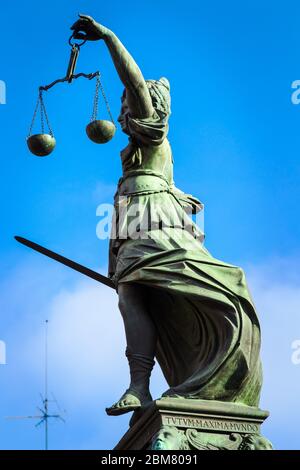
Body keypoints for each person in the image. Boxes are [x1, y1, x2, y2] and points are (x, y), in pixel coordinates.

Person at [71, 15, 263, 417]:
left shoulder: (152, 130)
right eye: (124, 105)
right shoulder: (146, 150)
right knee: (131, 297)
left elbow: (136, 82)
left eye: (128, 104)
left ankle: (149, 381)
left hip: (151, 220)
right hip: (130, 220)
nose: (125, 110)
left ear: (149, 108)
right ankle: (139, 387)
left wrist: (108, 38)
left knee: (138, 292)